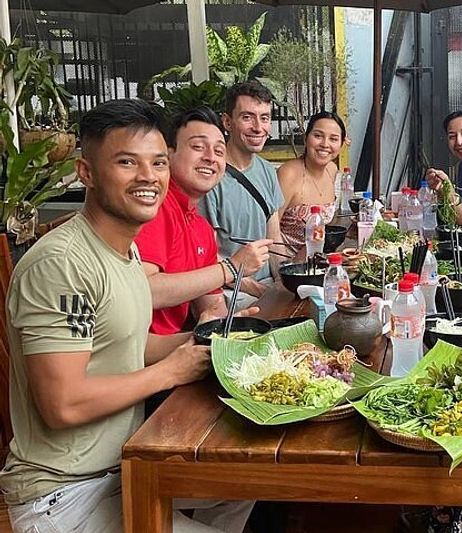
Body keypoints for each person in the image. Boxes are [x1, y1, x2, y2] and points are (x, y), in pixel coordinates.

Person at [0, 99, 254, 532]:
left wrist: (214, 340)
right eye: (126, 162)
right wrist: (170, 372)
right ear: (87, 173)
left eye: (157, 162)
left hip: (125, 468)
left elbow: (131, 345)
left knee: (246, 483)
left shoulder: (125, 253)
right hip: (64, 495)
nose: (147, 177)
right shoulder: (62, 264)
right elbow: (63, 403)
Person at [135, 107, 272, 335]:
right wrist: (231, 268)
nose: (210, 157)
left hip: (182, 347)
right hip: (143, 359)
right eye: (198, 147)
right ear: (168, 155)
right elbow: (143, 292)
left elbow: (211, 307)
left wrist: (230, 326)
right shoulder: (155, 208)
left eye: (219, 151)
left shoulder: (201, 228)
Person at [198, 81, 285, 309]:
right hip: (232, 291)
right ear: (227, 122)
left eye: (264, 118)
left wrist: (284, 283)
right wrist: (257, 289)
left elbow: (274, 239)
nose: (258, 127)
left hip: (268, 285)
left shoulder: (267, 170)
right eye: (248, 117)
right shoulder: (210, 177)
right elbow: (205, 256)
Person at [277, 111, 346, 257]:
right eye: (318, 136)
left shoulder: (332, 170)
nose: (325, 144)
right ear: (306, 138)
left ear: (341, 145)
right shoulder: (288, 174)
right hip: (287, 266)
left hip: (321, 261)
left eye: (333, 139)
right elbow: (269, 229)